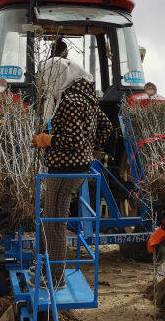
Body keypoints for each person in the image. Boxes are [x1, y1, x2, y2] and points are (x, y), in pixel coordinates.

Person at [32, 56, 112, 288]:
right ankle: (46, 268)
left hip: (65, 169)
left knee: (55, 222)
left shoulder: (71, 100)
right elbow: (105, 127)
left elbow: (73, 140)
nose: (47, 83)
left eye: (48, 78)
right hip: (76, 166)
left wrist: (46, 140)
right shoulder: (86, 96)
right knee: (51, 217)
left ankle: (55, 278)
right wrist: (89, 146)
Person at [37, 38, 93, 122]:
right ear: (66, 52)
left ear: (51, 51)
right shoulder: (72, 65)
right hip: (69, 106)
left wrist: (51, 91)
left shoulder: (43, 65)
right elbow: (88, 80)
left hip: (47, 102)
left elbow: (38, 84)